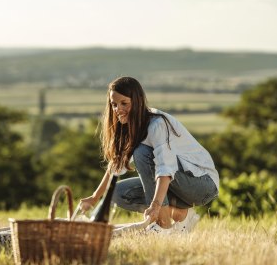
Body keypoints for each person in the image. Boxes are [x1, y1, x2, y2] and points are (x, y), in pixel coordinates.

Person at [78, 76, 219, 233]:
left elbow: (165, 169)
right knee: (116, 193)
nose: (118, 109)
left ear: (137, 101)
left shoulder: (156, 124)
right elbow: (115, 167)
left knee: (142, 153)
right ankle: (181, 214)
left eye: (124, 103)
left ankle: (163, 226)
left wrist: (155, 205)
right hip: (176, 185)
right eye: (114, 104)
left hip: (202, 185)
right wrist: (95, 197)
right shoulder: (129, 127)